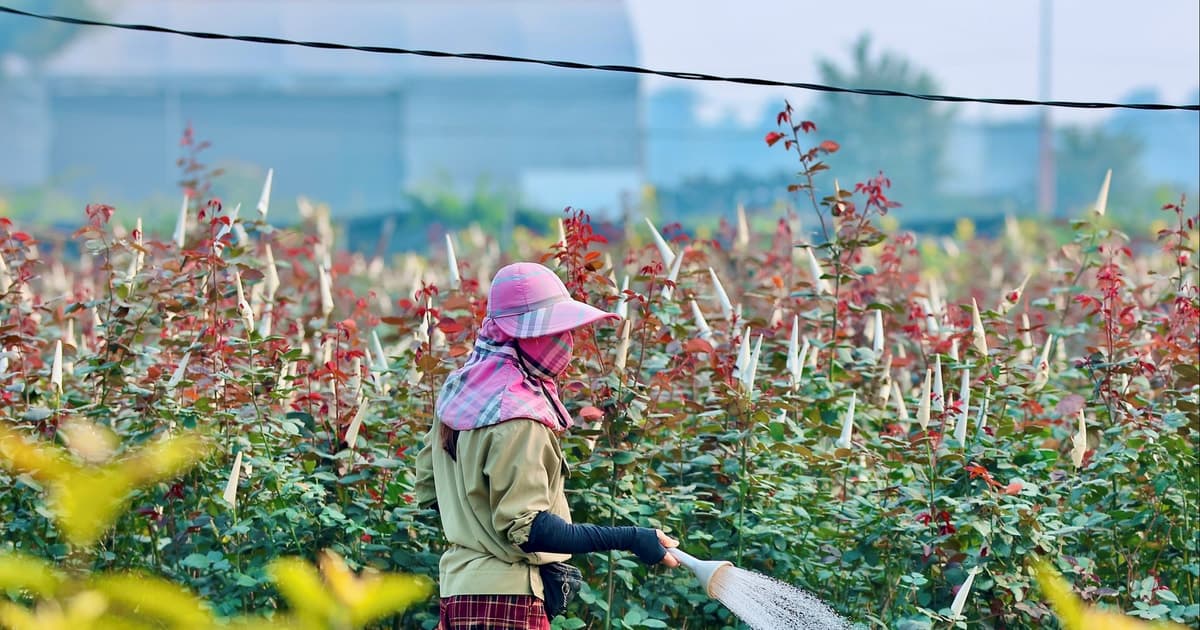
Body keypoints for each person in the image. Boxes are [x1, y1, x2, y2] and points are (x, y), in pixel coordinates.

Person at [415, 262, 679, 630]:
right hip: (508, 604)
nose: (564, 343)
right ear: (516, 337)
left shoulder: (456, 397)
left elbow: (429, 493)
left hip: (458, 595)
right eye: (551, 331)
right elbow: (529, 529)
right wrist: (631, 537)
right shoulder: (520, 418)